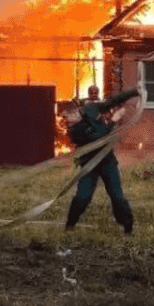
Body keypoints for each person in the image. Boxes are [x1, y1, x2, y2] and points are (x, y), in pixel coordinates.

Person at [64, 84, 142, 233]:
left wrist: (134, 91)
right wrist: (114, 120)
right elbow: (100, 138)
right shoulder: (75, 132)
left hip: (107, 162)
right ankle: (70, 225)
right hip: (89, 165)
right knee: (82, 196)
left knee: (117, 196)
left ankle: (128, 228)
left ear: (76, 111)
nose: (67, 120)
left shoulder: (91, 109)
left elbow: (112, 101)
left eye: (69, 116)